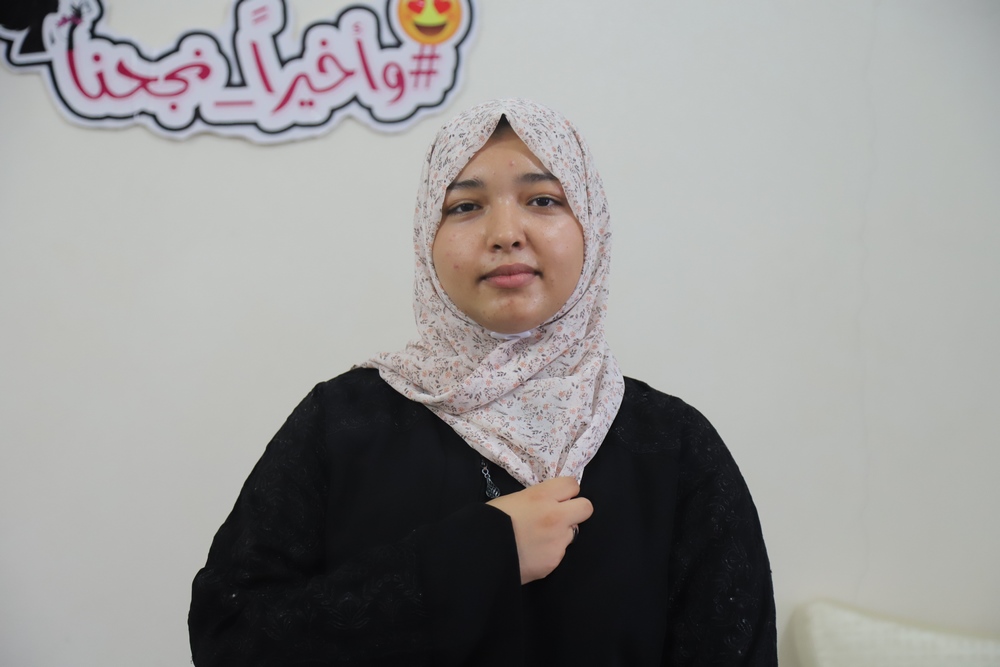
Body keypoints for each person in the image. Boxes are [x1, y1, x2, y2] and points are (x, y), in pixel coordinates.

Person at [188, 99, 777, 665]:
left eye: (543, 199)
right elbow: (230, 637)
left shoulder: (673, 446)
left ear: (592, 228)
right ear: (427, 237)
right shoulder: (343, 423)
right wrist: (480, 558)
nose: (505, 232)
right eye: (466, 206)